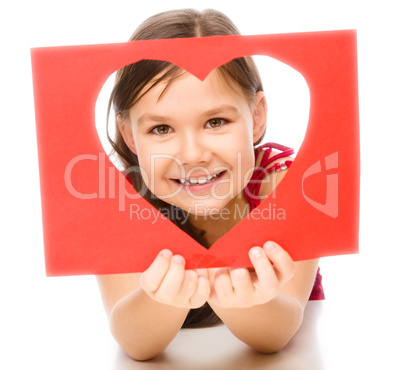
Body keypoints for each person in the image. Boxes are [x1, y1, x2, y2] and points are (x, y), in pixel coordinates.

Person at [96, 8, 324, 361]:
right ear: (129, 134)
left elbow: (278, 332)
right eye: (161, 129)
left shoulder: (285, 182)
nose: (192, 154)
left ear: (257, 117)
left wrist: (244, 299)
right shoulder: (123, 199)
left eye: (216, 121)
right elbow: (136, 343)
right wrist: (159, 299)